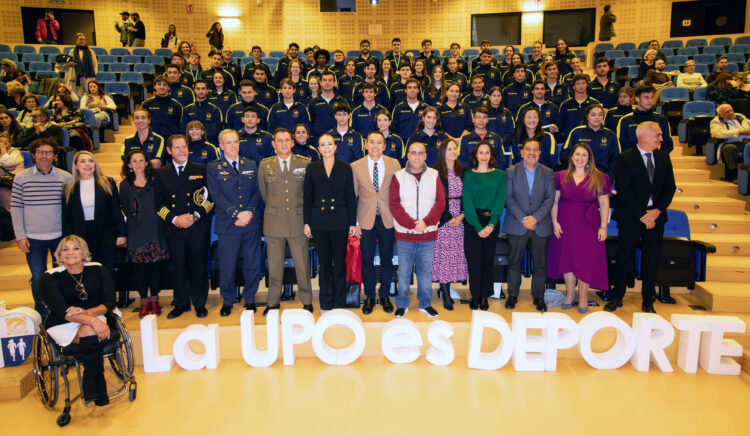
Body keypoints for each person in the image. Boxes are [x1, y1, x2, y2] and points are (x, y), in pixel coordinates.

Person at [606, 121, 676, 313]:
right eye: (658, 135)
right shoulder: (625, 158)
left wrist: (656, 211)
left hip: (656, 216)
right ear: (644, 137)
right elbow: (624, 191)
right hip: (631, 216)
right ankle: (617, 296)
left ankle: (648, 300)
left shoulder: (663, 158)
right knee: (623, 258)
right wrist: (643, 215)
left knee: (652, 259)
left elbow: (670, 188)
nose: (662, 139)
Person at [38, 236, 115, 406]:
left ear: (84, 252)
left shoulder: (98, 270)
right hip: (62, 322)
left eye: (75, 248)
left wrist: (88, 314)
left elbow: (110, 302)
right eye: (65, 249)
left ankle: (92, 385)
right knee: (92, 330)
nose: (70, 252)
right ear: (58, 255)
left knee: (90, 331)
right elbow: (61, 310)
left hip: (96, 315)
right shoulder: (49, 277)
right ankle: (98, 387)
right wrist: (92, 321)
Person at [11, 138, 71, 317]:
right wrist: (20, 236)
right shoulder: (21, 177)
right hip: (33, 238)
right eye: (40, 152)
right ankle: (42, 313)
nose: (44, 156)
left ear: (55, 156)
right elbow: (16, 207)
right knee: (38, 277)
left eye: (48, 152)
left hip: (59, 236)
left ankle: (62, 312)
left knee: (62, 276)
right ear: (33, 155)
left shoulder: (65, 177)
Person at [548, 143, 611, 313]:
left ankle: (583, 296)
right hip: (565, 222)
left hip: (589, 224)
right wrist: (554, 222)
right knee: (567, 259)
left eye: (584, 155)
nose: (580, 158)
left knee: (585, 261)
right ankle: (569, 294)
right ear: (571, 157)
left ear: (589, 158)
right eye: (577, 154)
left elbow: (604, 202)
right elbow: (554, 201)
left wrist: (603, 227)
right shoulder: (560, 176)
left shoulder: (600, 177)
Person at [155, 134, 213, 319]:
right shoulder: (161, 173)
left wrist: (196, 215)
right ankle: (180, 303)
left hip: (197, 226)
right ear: (169, 150)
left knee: (198, 266)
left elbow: (210, 198)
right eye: (178, 147)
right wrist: (174, 219)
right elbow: (158, 204)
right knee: (178, 267)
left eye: (184, 147)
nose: (182, 150)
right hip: (174, 228)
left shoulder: (201, 169)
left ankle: (199, 303)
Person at [206, 130, 263, 316]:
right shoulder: (214, 167)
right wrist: (236, 214)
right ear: (221, 146)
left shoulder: (251, 164)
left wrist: (249, 213)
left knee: (252, 263)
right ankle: (228, 300)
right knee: (227, 266)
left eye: (236, 142)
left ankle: (251, 298)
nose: (233, 146)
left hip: (250, 223)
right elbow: (215, 195)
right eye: (229, 142)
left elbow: (257, 192)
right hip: (228, 224)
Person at [258, 128, 314, 315]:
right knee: (274, 266)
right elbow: (264, 194)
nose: (283, 143)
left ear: (292, 143)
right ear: (273, 144)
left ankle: (306, 300)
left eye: (287, 140)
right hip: (274, 222)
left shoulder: (304, 163)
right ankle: (273, 302)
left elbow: (308, 193)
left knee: (302, 264)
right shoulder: (265, 165)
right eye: (279, 140)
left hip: (298, 221)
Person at [389, 142, 445, 318]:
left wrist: (426, 222)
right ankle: (402, 304)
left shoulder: (434, 175)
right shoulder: (397, 177)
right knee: (403, 272)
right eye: (413, 153)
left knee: (425, 273)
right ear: (408, 155)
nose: (417, 156)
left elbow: (440, 203)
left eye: (421, 153)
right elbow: (394, 204)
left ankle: (425, 304)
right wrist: (413, 224)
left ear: (426, 156)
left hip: (427, 235)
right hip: (405, 235)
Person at [303, 134, 357, 312]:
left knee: (339, 263)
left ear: (335, 147)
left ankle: (340, 302)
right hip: (319, 222)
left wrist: (352, 222)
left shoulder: (345, 168)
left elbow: (351, 197)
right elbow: (307, 197)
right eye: (322, 145)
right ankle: (326, 301)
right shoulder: (312, 168)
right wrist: (306, 222)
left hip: (340, 221)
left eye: (329, 144)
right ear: (318, 149)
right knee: (325, 264)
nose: (326, 148)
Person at [503, 138, 555, 311]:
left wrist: (535, 218)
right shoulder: (510, 172)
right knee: (514, 262)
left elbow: (549, 199)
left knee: (540, 265)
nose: (532, 152)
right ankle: (513, 295)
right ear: (522, 152)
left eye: (535, 149)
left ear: (540, 153)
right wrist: (525, 219)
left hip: (540, 225)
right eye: (528, 149)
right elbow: (508, 199)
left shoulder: (548, 172)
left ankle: (539, 298)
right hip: (518, 224)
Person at [352, 131, 400, 314]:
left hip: (388, 218)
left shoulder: (394, 164)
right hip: (365, 220)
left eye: (379, 142)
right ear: (365, 144)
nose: (375, 145)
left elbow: (398, 193)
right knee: (367, 260)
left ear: (384, 145)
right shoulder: (355, 166)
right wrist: (354, 222)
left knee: (387, 259)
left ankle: (385, 295)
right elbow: (353, 195)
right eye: (371, 141)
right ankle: (370, 296)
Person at [61, 150, 125, 286]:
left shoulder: (107, 182)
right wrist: (67, 239)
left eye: (91, 161)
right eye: (83, 161)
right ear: (76, 166)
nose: (88, 164)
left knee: (106, 268)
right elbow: (66, 217)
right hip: (80, 234)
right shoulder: (68, 187)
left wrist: (121, 233)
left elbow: (116, 210)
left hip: (105, 233)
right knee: (86, 269)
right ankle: (92, 304)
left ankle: (110, 304)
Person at [118, 150, 168, 318]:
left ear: (147, 163)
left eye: (141, 160)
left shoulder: (155, 181)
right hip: (136, 231)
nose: (138, 164)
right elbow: (124, 207)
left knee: (155, 269)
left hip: (155, 228)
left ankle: (155, 300)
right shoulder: (125, 185)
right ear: (129, 165)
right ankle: (144, 302)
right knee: (139, 271)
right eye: (134, 161)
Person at [462, 141, 505, 310]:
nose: (484, 156)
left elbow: (500, 201)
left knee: (488, 260)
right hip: (473, 223)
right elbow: (468, 202)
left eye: (487, 152)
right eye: (481, 152)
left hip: (491, 223)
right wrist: (478, 227)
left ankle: (485, 296)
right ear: (475, 155)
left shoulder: (500, 175)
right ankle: (475, 295)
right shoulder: (469, 175)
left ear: (491, 155)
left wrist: (492, 224)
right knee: (474, 260)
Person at [431, 139, 468, 311]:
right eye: (449, 149)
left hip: (460, 219)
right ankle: (445, 293)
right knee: (444, 257)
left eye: (455, 148)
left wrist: (462, 215)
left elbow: (469, 196)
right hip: (443, 220)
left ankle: (445, 288)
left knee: (454, 256)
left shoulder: (463, 171)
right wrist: (446, 217)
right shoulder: (435, 171)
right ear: (443, 151)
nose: (453, 151)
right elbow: (433, 197)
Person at [562, 103, 619, 178]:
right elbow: (565, 155)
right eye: (593, 115)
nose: (597, 117)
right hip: (579, 175)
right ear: (587, 116)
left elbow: (615, 159)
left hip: (602, 176)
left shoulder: (610, 135)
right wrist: (576, 171)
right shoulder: (576, 132)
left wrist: (609, 176)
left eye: (600, 115)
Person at [617, 86, 673, 153]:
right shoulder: (625, 120)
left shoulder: (661, 119)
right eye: (646, 97)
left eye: (652, 97)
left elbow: (667, 144)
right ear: (637, 99)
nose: (650, 101)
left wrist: (656, 157)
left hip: (654, 161)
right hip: (632, 160)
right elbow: (620, 145)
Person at [710, 104, 750, 182]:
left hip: (746, 142)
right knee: (730, 148)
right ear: (720, 114)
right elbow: (719, 133)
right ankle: (735, 176)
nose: (731, 113)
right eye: (727, 112)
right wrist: (739, 132)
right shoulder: (716, 121)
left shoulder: (740, 116)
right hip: (730, 143)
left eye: (731, 110)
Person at [557, 74, 600, 141]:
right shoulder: (565, 104)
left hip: (590, 140)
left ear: (587, 85)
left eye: (583, 83)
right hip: (570, 141)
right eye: (578, 83)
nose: (581, 86)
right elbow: (560, 125)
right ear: (573, 86)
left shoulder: (594, 103)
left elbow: (599, 123)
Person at [142, 76, 183, 142]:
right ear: (155, 87)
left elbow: (179, 125)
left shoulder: (177, 105)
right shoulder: (147, 104)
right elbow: (143, 124)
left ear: (168, 87)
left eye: (164, 85)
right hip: (153, 141)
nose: (162, 87)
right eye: (159, 84)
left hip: (171, 141)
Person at [181, 79, 223, 145]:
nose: (200, 91)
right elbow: (184, 130)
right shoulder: (187, 109)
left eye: (203, 89)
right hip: (191, 145)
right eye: (198, 89)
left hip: (209, 145)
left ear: (207, 91)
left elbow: (217, 132)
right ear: (194, 90)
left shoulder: (215, 110)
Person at [308, 71, 348, 139]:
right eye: (325, 80)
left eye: (330, 80)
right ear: (320, 83)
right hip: (318, 140)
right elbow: (309, 123)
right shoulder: (313, 102)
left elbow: (347, 121)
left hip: (337, 139)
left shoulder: (341, 101)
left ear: (334, 83)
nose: (327, 82)